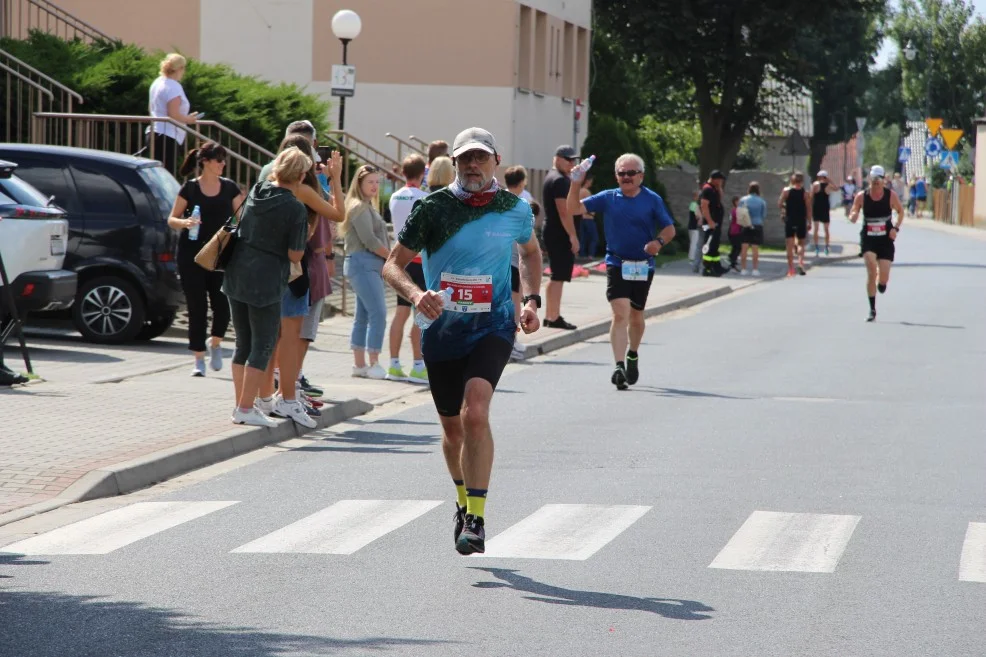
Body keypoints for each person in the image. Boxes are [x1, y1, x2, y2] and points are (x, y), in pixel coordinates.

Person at [382, 127, 542, 555]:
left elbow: (530, 252)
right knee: (452, 430)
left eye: (481, 158)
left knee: (476, 411)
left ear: (496, 161)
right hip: (441, 330)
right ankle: (461, 502)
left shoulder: (514, 209)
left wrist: (530, 299)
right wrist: (417, 295)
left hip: (493, 326)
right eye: (465, 159)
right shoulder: (433, 208)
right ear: (454, 163)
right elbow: (392, 266)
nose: (473, 165)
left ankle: (477, 518)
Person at [255, 135, 343, 427]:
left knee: (268, 338)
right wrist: (337, 180)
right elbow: (338, 214)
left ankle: (263, 397)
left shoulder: (264, 187)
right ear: (301, 171)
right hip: (294, 269)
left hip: (264, 269)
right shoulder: (301, 191)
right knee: (290, 339)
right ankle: (288, 398)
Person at [566, 153, 675, 389]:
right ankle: (618, 365)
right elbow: (574, 208)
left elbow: (669, 228)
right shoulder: (608, 197)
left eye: (631, 173)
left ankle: (632, 354)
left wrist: (658, 243)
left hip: (643, 264)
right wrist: (576, 182)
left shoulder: (652, 199)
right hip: (616, 262)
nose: (626, 177)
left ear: (641, 176)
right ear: (616, 176)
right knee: (620, 313)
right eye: (621, 173)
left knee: (636, 316)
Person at [223, 147, 310, 427]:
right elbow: (296, 255)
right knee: (263, 344)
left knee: (242, 344)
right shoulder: (295, 207)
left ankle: (240, 407)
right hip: (267, 280)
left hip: (236, 273)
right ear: (300, 175)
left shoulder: (258, 190)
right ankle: (247, 408)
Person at [167, 142, 245, 377]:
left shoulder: (230, 188)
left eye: (224, 159)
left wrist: (228, 232)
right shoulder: (190, 189)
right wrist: (185, 223)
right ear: (205, 162)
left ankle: (216, 342)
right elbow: (172, 218)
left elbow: (240, 217)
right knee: (196, 306)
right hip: (191, 255)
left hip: (220, 255)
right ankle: (198, 358)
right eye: (219, 159)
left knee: (222, 305)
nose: (223, 164)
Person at [342, 165, 390, 379]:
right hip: (363, 263)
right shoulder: (359, 207)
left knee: (363, 315)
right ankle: (374, 362)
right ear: (359, 183)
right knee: (379, 313)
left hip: (365, 264)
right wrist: (391, 258)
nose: (374, 186)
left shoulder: (366, 206)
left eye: (377, 182)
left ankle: (359, 365)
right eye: (370, 181)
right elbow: (369, 240)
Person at [385, 154, 429, 384]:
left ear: (403, 173)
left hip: (400, 259)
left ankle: (393, 364)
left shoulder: (394, 196)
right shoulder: (425, 197)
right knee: (420, 313)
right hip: (419, 260)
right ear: (423, 173)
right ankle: (418, 366)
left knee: (400, 313)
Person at [849, 165, 905, 322]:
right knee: (871, 270)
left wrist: (895, 228)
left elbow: (900, 212)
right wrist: (853, 216)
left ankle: (882, 282)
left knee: (883, 278)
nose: (875, 184)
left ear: (883, 181)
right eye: (873, 181)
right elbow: (854, 210)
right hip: (868, 238)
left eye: (878, 181)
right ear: (869, 180)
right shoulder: (862, 196)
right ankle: (872, 309)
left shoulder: (890, 196)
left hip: (885, 238)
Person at [541, 145, 581, 329]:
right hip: (559, 232)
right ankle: (553, 316)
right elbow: (564, 211)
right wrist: (572, 236)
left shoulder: (556, 177)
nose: (571, 163)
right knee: (558, 276)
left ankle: (551, 315)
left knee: (557, 275)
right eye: (568, 159)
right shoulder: (559, 180)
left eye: (574, 160)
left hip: (554, 231)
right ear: (557, 158)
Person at [504, 165, 540, 360]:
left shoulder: (502, 197)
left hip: (505, 257)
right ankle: (513, 341)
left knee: (509, 300)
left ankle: (510, 340)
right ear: (521, 181)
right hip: (515, 257)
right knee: (515, 301)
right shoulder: (522, 202)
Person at [146, 53, 199, 176]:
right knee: (165, 175)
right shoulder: (173, 86)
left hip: (154, 132)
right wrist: (188, 119)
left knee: (157, 174)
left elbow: (151, 108)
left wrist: (185, 117)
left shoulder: (157, 82)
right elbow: (173, 114)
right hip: (167, 136)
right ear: (179, 69)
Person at [779, 171, 812, 277]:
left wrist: (784, 208)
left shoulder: (786, 191)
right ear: (802, 181)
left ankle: (791, 269)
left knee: (789, 244)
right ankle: (800, 262)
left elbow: (779, 204)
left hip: (790, 220)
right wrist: (809, 221)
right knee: (801, 243)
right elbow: (808, 208)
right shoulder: (805, 193)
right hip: (801, 220)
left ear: (792, 180)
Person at [699, 171, 727, 277]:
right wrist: (710, 221)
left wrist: (719, 188)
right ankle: (707, 268)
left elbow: (720, 198)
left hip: (715, 223)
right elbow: (704, 206)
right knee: (709, 244)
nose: (720, 182)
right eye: (719, 180)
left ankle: (716, 267)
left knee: (715, 245)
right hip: (710, 223)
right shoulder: (707, 189)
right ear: (714, 179)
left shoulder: (714, 189)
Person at [738, 182, 767, 276]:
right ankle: (755, 269)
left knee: (744, 248)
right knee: (755, 249)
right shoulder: (761, 201)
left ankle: (743, 269)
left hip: (745, 225)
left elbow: (739, 213)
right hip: (757, 225)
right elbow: (763, 215)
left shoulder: (743, 200)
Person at [811, 170, 834, 256]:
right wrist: (830, 180)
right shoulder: (828, 186)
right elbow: (837, 188)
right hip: (824, 209)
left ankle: (817, 247)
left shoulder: (815, 185)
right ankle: (826, 247)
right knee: (825, 229)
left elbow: (811, 196)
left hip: (817, 208)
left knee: (817, 229)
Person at [578, 173, 599, 258]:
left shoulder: (578, 191)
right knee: (594, 238)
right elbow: (589, 206)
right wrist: (593, 212)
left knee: (582, 238)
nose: (591, 183)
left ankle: (582, 256)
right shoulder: (586, 191)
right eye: (591, 181)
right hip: (588, 218)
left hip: (580, 218)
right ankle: (591, 255)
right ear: (587, 181)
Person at [687, 190, 702, 273]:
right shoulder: (694, 204)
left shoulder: (693, 204)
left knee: (693, 243)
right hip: (694, 227)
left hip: (691, 227)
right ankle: (692, 259)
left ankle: (692, 258)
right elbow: (697, 216)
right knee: (694, 243)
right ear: (695, 197)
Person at [727, 195, 742, 272]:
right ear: (735, 202)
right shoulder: (736, 210)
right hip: (735, 231)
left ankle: (732, 260)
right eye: (739, 201)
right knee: (738, 247)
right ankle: (732, 260)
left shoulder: (734, 210)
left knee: (736, 247)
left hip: (734, 231)